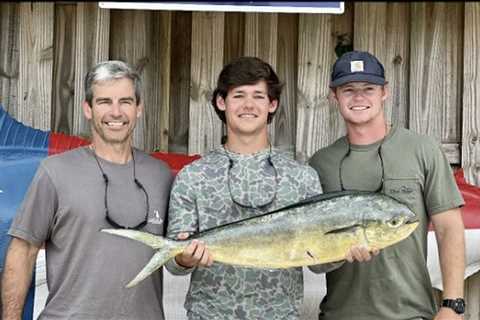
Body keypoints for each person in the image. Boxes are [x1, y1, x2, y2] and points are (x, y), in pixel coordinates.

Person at [164, 56, 372, 320]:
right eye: (238, 95)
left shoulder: (301, 177)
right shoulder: (192, 176)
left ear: (272, 104)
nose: (248, 105)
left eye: (258, 96)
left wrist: (346, 249)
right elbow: (173, 261)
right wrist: (185, 258)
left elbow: (318, 263)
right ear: (221, 102)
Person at [1, 60, 173, 319]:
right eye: (104, 102)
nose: (116, 112)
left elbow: (178, 255)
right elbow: (22, 252)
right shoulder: (54, 171)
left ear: (139, 109)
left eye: (125, 101)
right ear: (88, 109)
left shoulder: (161, 175)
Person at [309, 50, 466, 320]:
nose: (359, 97)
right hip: (339, 314)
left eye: (368, 88)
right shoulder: (320, 163)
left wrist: (453, 305)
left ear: (384, 92)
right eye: (348, 89)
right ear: (334, 96)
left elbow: (449, 228)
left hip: (411, 313)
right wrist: (335, 253)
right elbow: (312, 252)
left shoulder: (422, 150)